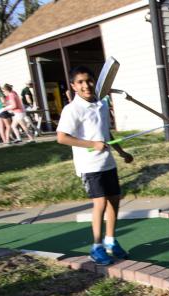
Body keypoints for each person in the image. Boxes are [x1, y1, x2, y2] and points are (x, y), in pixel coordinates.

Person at [56, 66, 134, 265]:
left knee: (114, 200)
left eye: (89, 80)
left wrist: (122, 152)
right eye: (80, 82)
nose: (86, 85)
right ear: (73, 86)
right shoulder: (72, 109)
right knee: (99, 203)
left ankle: (110, 241)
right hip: (89, 165)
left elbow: (106, 134)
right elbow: (62, 138)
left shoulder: (100, 104)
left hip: (107, 163)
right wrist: (92, 144)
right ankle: (96, 247)